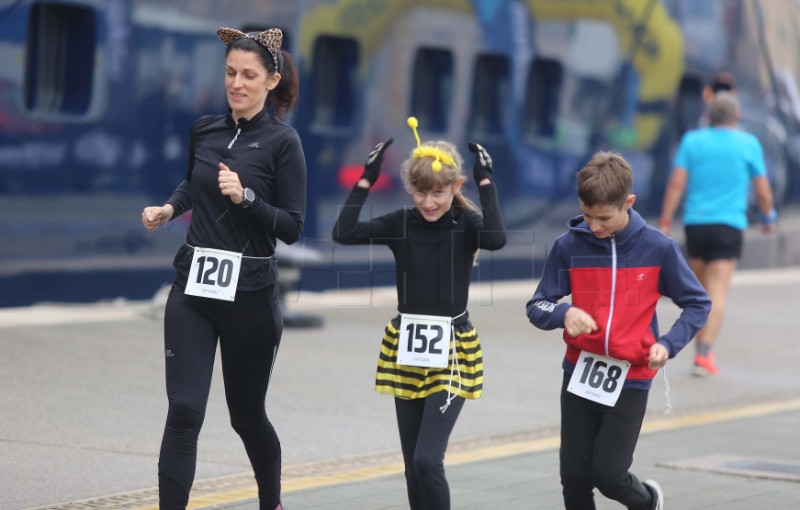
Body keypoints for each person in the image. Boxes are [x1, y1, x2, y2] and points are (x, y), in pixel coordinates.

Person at [141, 27, 305, 510]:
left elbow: (292, 227)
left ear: (271, 81)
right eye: (231, 72)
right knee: (185, 411)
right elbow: (194, 185)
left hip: (251, 298)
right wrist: (169, 209)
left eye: (249, 75)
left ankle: (270, 502)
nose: (237, 83)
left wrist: (248, 198)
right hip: (193, 288)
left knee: (246, 415)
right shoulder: (205, 129)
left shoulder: (283, 143)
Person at [332, 117, 506, 510]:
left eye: (439, 193)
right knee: (413, 466)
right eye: (421, 192)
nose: (429, 202)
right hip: (406, 347)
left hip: (454, 349)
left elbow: (496, 238)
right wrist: (366, 179)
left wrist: (486, 182)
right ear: (410, 189)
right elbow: (344, 233)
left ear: (455, 187)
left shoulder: (466, 223)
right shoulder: (402, 223)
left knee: (429, 460)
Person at [525, 151, 711, 510]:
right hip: (579, 372)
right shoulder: (569, 246)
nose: (594, 226)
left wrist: (668, 344)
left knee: (608, 475)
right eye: (588, 214)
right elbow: (537, 305)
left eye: (604, 218)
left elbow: (698, 303)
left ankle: (649, 501)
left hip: (632, 377)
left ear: (628, 202)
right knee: (574, 478)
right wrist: (564, 313)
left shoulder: (658, 248)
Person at [659, 91, 776, 377]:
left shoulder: (692, 141)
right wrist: (767, 217)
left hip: (696, 225)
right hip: (729, 225)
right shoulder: (749, 143)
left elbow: (676, 183)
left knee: (698, 292)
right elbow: (762, 189)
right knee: (717, 291)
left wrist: (664, 220)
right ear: (737, 117)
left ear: (708, 116)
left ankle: (694, 347)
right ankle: (704, 353)